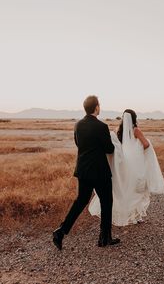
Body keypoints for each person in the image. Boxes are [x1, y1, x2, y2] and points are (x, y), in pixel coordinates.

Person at [53, 95, 120, 250]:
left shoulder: (77, 125)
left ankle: (60, 231)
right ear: (96, 107)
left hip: (83, 170)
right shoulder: (101, 127)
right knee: (106, 202)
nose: (100, 107)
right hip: (100, 171)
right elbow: (109, 149)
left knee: (81, 201)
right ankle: (105, 238)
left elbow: (78, 144)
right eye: (99, 105)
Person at [89, 109, 164, 226]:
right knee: (137, 190)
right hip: (136, 164)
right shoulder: (136, 130)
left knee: (127, 189)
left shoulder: (119, 130)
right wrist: (139, 147)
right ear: (134, 118)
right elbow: (146, 144)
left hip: (124, 164)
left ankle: (129, 216)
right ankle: (135, 217)